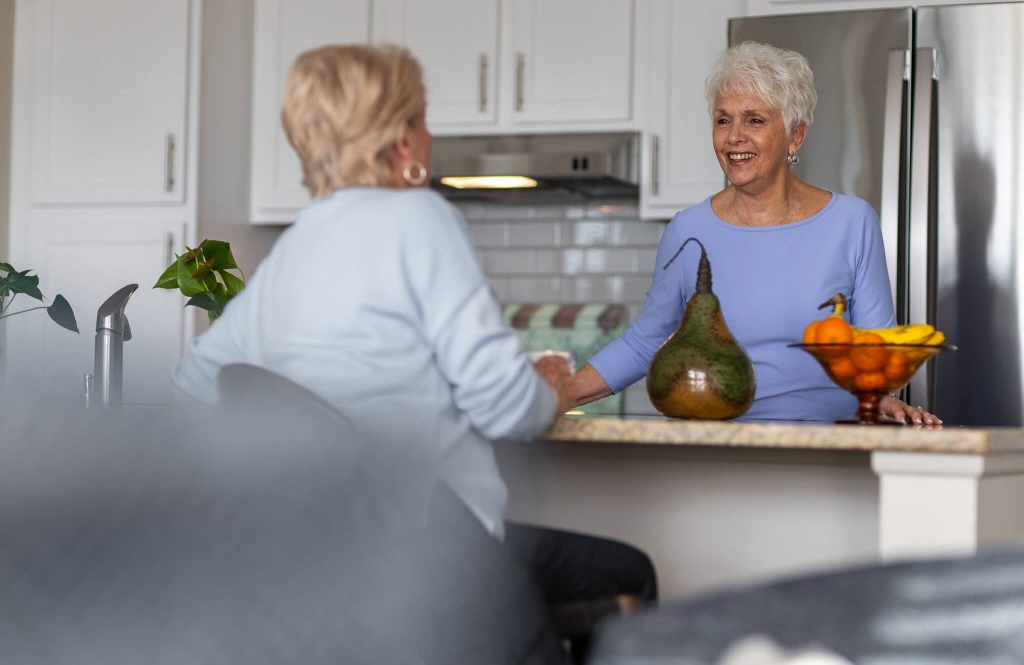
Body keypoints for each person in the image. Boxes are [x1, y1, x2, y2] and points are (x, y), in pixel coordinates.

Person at [172, 43, 655, 659]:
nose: (430, 139)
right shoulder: (420, 220)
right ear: (401, 139)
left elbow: (192, 386)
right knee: (630, 572)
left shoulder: (293, 251)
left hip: (324, 568)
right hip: (441, 558)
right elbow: (507, 409)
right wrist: (554, 386)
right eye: (423, 120)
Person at [571, 41, 941, 426]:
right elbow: (645, 342)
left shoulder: (852, 222)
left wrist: (886, 401)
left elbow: (876, 352)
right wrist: (556, 395)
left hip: (831, 450)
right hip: (720, 448)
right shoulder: (688, 231)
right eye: (723, 119)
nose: (734, 137)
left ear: (795, 137)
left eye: (755, 120)